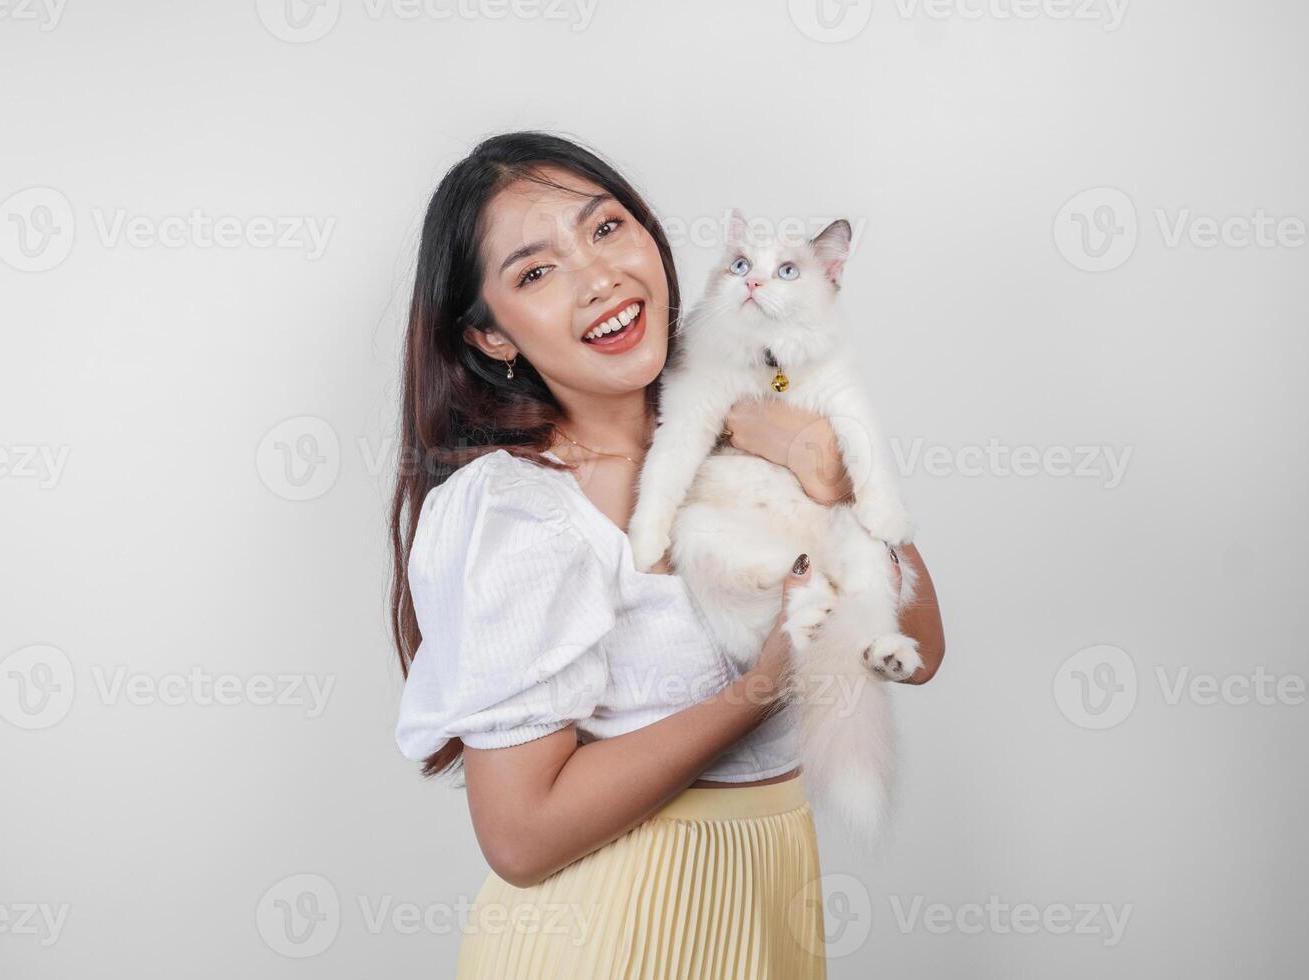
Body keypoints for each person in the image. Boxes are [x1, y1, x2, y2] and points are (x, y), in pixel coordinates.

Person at [390, 131, 946, 979]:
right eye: (536, 273)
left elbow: (923, 652)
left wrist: (835, 482)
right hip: (604, 936)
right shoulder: (519, 511)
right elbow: (520, 837)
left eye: (606, 229)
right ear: (493, 338)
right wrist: (759, 689)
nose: (599, 277)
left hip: (767, 920)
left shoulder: (749, 417)